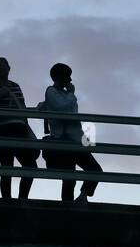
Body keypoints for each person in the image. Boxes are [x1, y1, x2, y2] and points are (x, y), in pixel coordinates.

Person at [37, 63, 102, 203]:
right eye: (68, 76)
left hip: (76, 140)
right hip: (63, 139)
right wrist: (71, 94)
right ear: (61, 77)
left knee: (95, 170)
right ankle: (67, 206)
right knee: (69, 178)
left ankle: (83, 196)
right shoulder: (51, 91)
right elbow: (62, 109)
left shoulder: (65, 95)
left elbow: (71, 114)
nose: (70, 80)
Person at [0, 57, 39, 199]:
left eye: (1, 66)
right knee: (7, 167)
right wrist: (0, 94)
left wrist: (26, 126)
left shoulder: (16, 86)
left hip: (19, 128)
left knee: (31, 167)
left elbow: (22, 107)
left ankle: (22, 198)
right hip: (2, 128)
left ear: (8, 68)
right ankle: (7, 199)